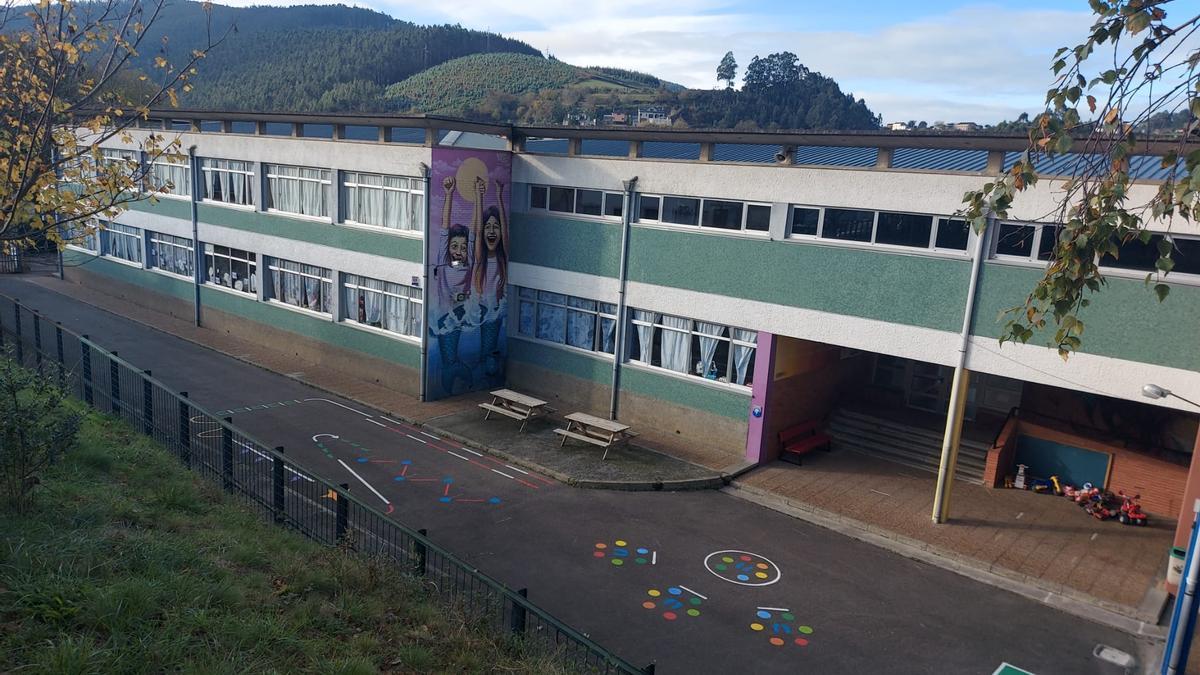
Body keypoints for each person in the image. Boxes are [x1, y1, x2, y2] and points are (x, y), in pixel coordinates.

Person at [431, 175, 477, 395]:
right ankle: (456, 370)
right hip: (443, 318)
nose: (458, 250)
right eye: (454, 245)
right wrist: (449, 194)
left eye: (463, 246)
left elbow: (474, 233)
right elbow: (444, 228)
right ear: (447, 247)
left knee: (451, 358)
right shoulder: (442, 262)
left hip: (457, 317)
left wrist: (479, 197)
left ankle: (457, 370)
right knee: (449, 357)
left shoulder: (469, 265)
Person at [472, 176, 508, 378]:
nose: (492, 230)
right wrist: (479, 196)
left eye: (495, 227)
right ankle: (486, 363)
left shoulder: (503, 258)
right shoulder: (480, 260)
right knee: (486, 342)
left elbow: (505, 228)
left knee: (490, 343)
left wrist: (500, 196)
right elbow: (477, 232)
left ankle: (489, 363)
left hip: (495, 312)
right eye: (488, 227)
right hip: (482, 311)